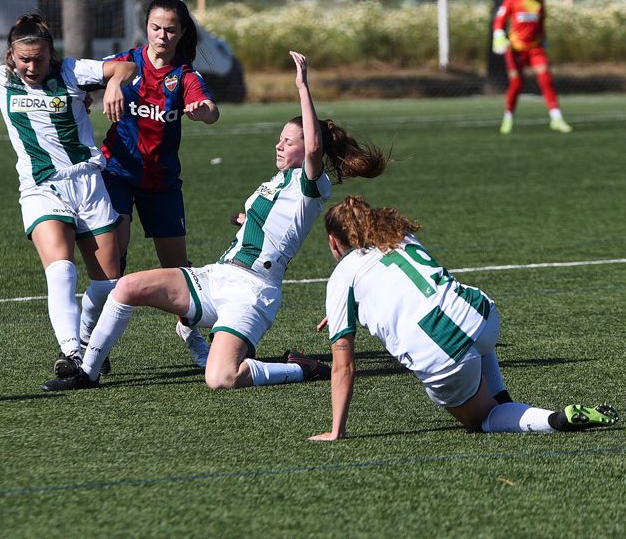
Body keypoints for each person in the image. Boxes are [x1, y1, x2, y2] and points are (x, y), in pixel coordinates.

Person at [48, 50, 388, 392]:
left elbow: (314, 150)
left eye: (288, 141)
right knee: (127, 286)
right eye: (280, 138)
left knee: (220, 378)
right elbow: (273, 221)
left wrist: (302, 86)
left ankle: (299, 368)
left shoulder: (311, 184)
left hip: (253, 292)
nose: (279, 145)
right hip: (218, 276)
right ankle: (86, 373)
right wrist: (248, 222)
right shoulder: (277, 180)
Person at [0, 4, 137, 390]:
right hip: (41, 187)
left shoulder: (71, 71)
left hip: (89, 184)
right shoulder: (1, 79)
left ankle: (88, 343)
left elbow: (126, 65)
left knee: (109, 286)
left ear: (50, 54)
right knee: (61, 268)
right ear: (11, 55)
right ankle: (71, 351)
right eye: (24, 59)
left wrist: (114, 82)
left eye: (39, 59)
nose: (31, 67)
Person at [308, 195, 619, 440]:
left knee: (480, 419)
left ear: (334, 242)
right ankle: (503, 397)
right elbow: (397, 285)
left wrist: (337, 430)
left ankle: (554, 419)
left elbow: (343, 365)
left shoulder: (341, 277)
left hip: (442, 351)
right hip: (481, 315)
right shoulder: (397, 236)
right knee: (467, 331)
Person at [88, 0, 220, 370]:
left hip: (162, 183)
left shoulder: (185, 76)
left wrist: (201, 112)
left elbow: (212, 112)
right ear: (146, 28)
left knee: (176, 269)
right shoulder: (126, 62)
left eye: (171, 30)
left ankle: (190, 330)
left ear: (182, 33)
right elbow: (86, 77)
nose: (162, 36)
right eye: (155, 28)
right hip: (118, 173)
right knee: (112, 256)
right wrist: (103, 87)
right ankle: (98, 342)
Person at [492, 0, 573, 134]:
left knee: (546, 79)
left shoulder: (539, 2)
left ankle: (556, 118)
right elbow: (499, 20)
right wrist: (499, 35)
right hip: (515, 50)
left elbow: (541, 25)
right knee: (516, 83)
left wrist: (544, 40)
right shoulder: (512, 0)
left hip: (535, 49)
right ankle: (508, 117)